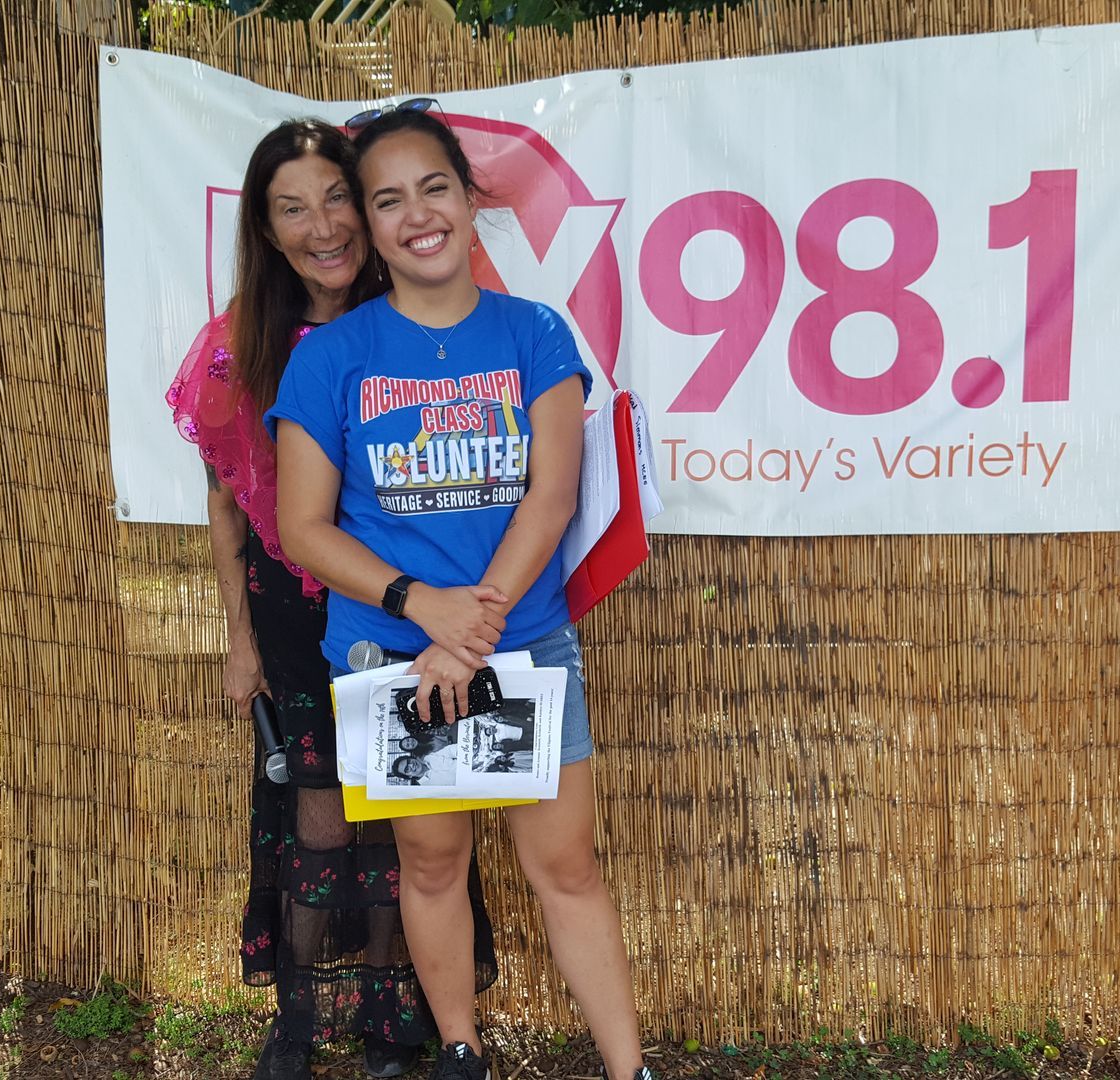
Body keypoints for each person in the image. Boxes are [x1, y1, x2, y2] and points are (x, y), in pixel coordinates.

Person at [269, 103, 652, 1080]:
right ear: (368, 223)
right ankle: (460, 1051)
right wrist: (419, 606)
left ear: (472, 199)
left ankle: (629, 1069)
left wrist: (467, 628)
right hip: (391, 652)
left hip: (523, 642)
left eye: (434, 188)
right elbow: (303, 527)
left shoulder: (534, 333)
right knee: (432, 863)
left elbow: (552, 495)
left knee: (566, 867)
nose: (417, 215)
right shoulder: (331, 357)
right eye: (388, 200)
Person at [166, 118, 496, 1080]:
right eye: (292, 209)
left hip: (406, 607)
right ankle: (299, 1020)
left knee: (408, 811)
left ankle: (394, 1018)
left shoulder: (424, 317)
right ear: (266, 231)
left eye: (337, 198)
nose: (322, 227)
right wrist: (240, 640)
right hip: (292, 608)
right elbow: (227, 505)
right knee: (319, 816)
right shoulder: (238, 348)